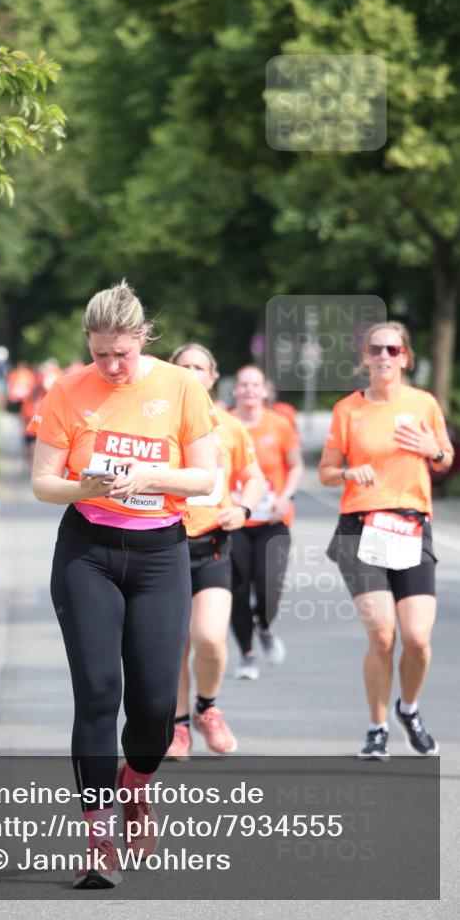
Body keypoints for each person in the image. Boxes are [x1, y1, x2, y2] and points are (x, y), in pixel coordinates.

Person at [28, 281, 217, 890]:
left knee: (156, 707)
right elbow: (41, 482)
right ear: (89, 342)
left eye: (122, 354)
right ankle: (96, 835)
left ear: (143, 339)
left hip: (162, 552)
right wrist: (84, 487)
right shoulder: (67, 391)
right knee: (98, 691)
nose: (111, 366)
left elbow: (206, 479)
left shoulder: (181, 387)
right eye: (100, 353)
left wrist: (151, 474)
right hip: (89, 551)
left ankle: (136, 783)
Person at [319, 322, 453, 759]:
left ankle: (408, 709)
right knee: (382, 635)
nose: (383, 356)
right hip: (361, 527)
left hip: (411, 525)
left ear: (406, 357)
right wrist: (347, 473)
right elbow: (325, 472)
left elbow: (445, 458)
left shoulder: (424, 403)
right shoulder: (347, 410)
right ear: (364, 357)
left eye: (392, 349)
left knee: (417, 638)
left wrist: (436, 446)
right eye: (375, 348)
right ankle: (376, 728)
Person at [166, 343, 265, 760]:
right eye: (183, 366)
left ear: (212, 377)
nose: (191, 373)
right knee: (173, 646)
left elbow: (254, 477)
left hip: (213, 547)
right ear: (171, 374)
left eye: (199, 367)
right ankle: (177, 727)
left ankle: (207, 708)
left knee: (209, 639)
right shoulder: (156, 425)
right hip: (164, 547)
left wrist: (242, 509)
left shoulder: (228, 427)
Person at [230, 366, 303, 680]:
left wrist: (286, 496)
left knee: (269, 587)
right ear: (235, 390)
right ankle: (247, 655)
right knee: (238, 590)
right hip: (235, 521)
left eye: (255, 384)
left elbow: (296, 465)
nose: (249, 390)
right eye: (243, 384)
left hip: (273, 519)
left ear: (264, 391)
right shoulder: (224, 423)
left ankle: (265, 625)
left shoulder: (280, 424)